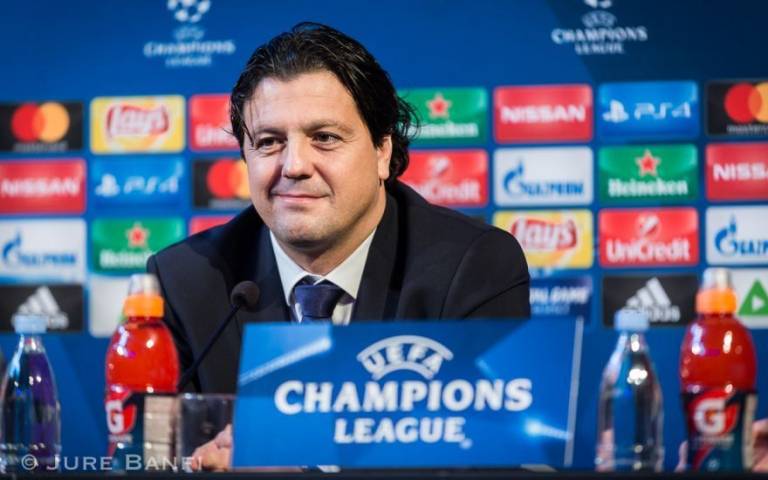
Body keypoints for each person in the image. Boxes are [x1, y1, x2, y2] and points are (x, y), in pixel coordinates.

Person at [147, 22, 529, 394]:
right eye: (269, 141)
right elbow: (155, 434)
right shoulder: (185, 281)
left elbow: (493, 432)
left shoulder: (472, 266)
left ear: (382, 151)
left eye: (324, 137)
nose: (294, 165)